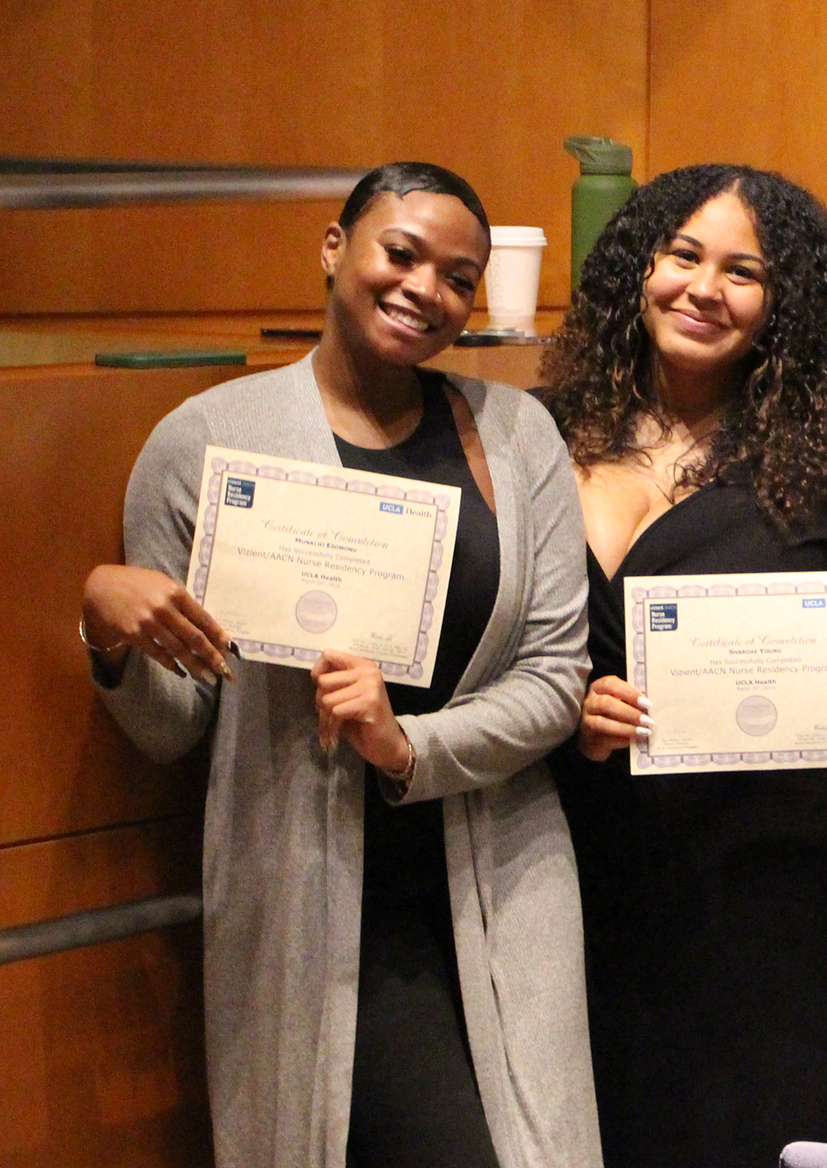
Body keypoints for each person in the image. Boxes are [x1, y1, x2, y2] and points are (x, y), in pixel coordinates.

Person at [79, 163, 600, 1168]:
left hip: (503, 887)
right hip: (309, 904)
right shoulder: (206, 441)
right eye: (399, 253)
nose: (423, 289)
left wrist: (404, 742)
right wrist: (106, 626)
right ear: (333, 249)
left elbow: (554, 676)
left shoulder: (517, 432)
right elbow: (172, 725)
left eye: (458, 276)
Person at [536, 163, 827, 1168]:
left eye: (743, 271)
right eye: (681, 255)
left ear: (783, 305)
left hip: (784, 883)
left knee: (782, 1126)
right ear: (638, 268)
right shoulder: (536, 442)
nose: (703, 288)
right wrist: (567, 713)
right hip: (594, 863)